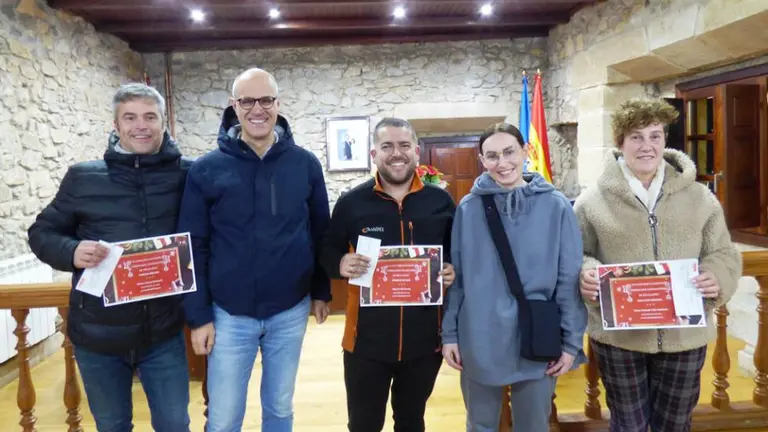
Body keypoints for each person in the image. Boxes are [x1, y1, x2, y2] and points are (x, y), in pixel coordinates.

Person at [27, 83, 192, 431]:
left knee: (175, 424)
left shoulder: (187, 175)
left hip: (162, 333)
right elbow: (41, 233)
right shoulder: (83, 178)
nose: (140, 125)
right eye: (129, 117)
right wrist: (72, 251)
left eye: (150, 116)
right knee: (112, 425)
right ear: (116, 126)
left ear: (164, 122)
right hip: (98, 336)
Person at [574, 98, 742, 432]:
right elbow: (576, 253)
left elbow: (723, 252)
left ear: (665, 140)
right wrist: (586, 272)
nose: (647, 146)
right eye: (636, 137)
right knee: (628, 424)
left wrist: (716, 276)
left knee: (676, 424)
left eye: (655, 136)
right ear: (620, 144)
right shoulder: (592, 201)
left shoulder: (700, 197)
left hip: (684, 334)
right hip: (619, 337)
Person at [178, 67, 332, 431]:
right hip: (229, 314)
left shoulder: (305, 164)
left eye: (265, 100)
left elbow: (320, 230)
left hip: (289, 309)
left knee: (279, 409)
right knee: (224, 416)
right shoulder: (206, 170)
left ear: (278, 104)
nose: (257, 109)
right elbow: (193, 247)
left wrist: (321, 290)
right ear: (234, 106)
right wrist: (198, 316)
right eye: (247, 101)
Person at [441, 122, 587, 432]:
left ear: (525, 151)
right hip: (479, 336)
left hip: (536, 336)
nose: (502, 162)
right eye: (492, 156)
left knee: (533, 426)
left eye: (509, 152)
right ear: (482, 161)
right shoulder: (468, 209)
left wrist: (571, 341)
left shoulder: (556, 206)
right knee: (480, 424)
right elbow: (459, 279)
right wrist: (450, 334)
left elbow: (568, 281)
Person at [321, 117, 456, 432]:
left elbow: (457, 252)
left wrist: (452, 269)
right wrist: (339, 263)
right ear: (374, 155)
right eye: (387, 146)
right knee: (364, 425)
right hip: (364, 343)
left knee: (411, 422)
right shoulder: (352, 203)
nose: (397, 153)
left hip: (424, 341)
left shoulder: (440, 201)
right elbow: (325, 250)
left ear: (417, 151)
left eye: (404, 145)